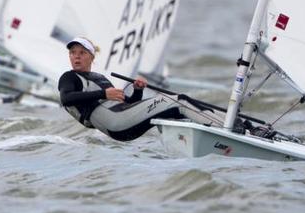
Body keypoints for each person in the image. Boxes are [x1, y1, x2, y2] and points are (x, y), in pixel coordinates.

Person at [59, 37, 211, 141]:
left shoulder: (100, 78)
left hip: (123, 124)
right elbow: (65, 98)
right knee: (179, 101)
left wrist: (137, 90)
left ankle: (205, 132)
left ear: (92, 57)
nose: (76, 57)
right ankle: (218, 125)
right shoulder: (69, 77)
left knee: (175, 109)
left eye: (82, 53)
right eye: (72, 53)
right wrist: (104, 93)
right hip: (116, 123)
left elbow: (130, 104)